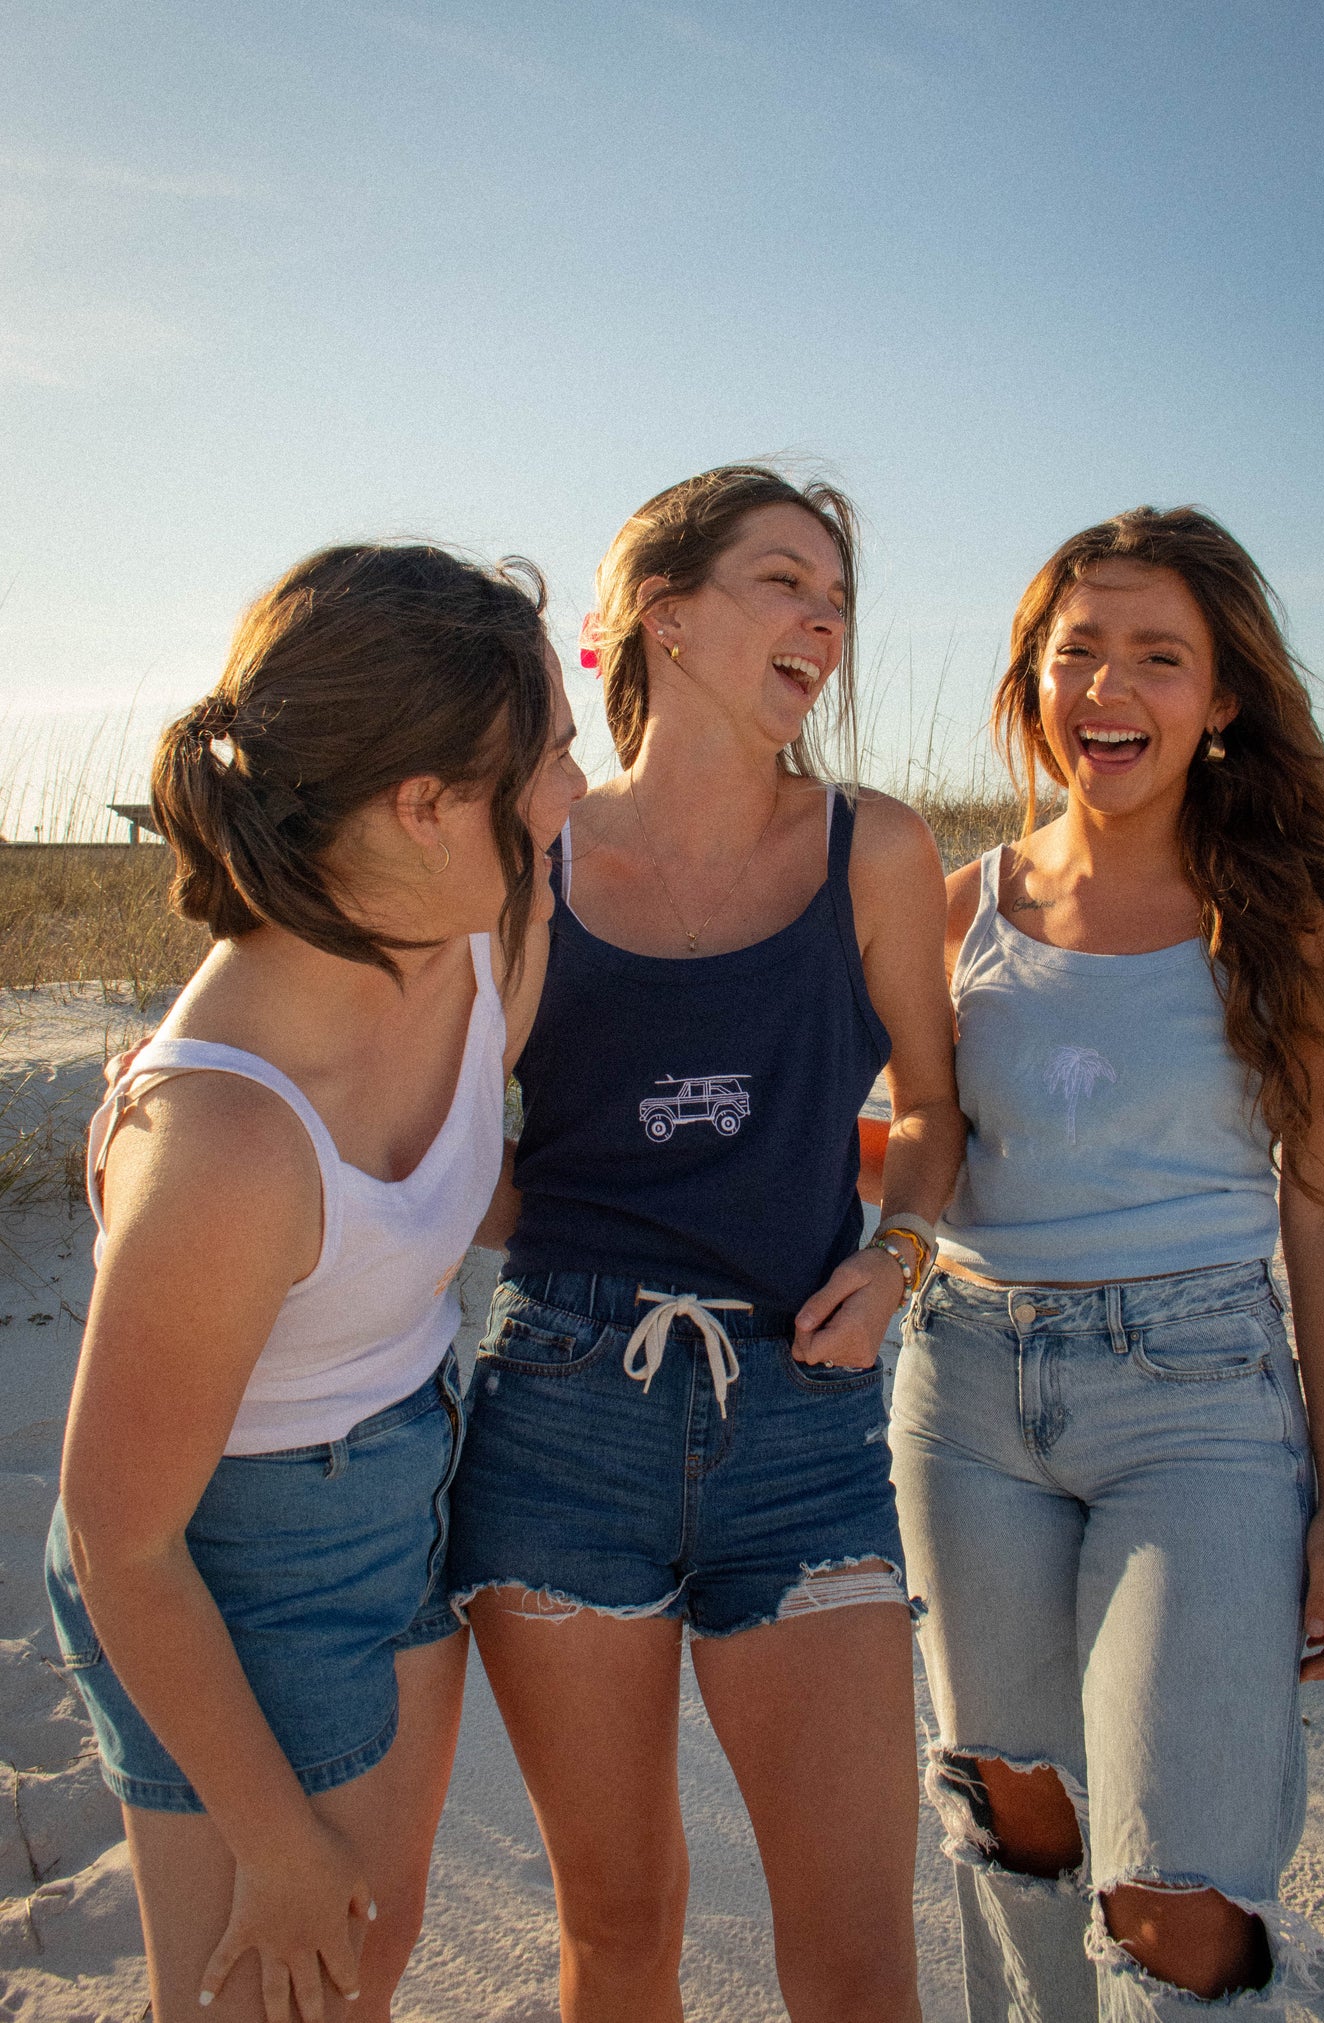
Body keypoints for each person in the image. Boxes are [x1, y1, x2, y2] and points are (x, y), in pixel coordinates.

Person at [446, 464, 963, 2023]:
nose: (823, 622)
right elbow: (458, 1145)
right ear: (661, 620)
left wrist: (902, 1254)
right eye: (782, 582)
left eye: (837, 598)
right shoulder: (532, 861)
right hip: (560, 1421)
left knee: (860, 1955)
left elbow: (930, 1108)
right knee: (618, 1926)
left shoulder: (872, 848)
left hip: (803, 1422)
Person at [889, 506, 1324, 2020]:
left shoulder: (1283, 921)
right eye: (1076, 654)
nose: (1107, 690)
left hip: (1196, 1405)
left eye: (1156, 658)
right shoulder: (954, 913)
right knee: (1015, 1809)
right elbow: (916, 1142)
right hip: (967, 1391)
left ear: (1222, 697)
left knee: (1174, 1890)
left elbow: (1323, 1208)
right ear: (1029, 682)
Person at [45, 543, 585, 2023]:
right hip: (222, 1560)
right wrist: (273, 1843)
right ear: (426, 806)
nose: (574, 795)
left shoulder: (487, 936)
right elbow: (118, 1538)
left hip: (410, 1467)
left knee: (374, 1946)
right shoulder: (223, 1147)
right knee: (275, 1986)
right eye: (552, 760)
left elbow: (462, 1197)